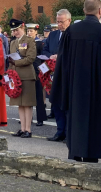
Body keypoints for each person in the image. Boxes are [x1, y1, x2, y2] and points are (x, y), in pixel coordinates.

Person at [51, 0, 101, 162]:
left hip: (75, 90)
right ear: (100, 11)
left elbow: (62, 64)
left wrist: (62, 91)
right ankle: (91, 160)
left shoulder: (71, 32)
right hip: (98, 92)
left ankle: (75, 156)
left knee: (76, 123)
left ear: (84, 11)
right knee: (94, 127)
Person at [43, 9, 72, 141]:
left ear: (69, 21)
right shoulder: (53, 35)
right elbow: (45, 50)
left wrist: (59, 57)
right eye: (57, 21)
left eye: (62, 22)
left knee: (67, 106)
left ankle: (68, 133)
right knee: (55, 103)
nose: (59, 24)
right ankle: (60, 131)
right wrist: (51, 56)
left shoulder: (73, 35)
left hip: (67, 75)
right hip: (53, 76)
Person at [5, 20, 36, 137]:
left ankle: (28, 129)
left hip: (27, 75)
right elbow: (10, 60)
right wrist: (8, 75)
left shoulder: (29, 40)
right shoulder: (13, 43)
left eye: (17, 30)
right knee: (20, 104)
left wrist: (16, 62)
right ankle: (22, 128)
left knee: (27, 103)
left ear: (22, 27)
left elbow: (31, 58)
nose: (15, 32)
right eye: (13, 31)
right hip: (16, 76)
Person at [26, 23, 47, 127]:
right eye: (28, 31)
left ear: (36, 32)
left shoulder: (39, 43)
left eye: (31, 31)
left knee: (38, 95)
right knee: (27, 96)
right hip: (27, 70)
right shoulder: (24, 43)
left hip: (37, 70)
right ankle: (27, 118)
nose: (29, 33)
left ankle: (41, 118)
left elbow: (43, 57)